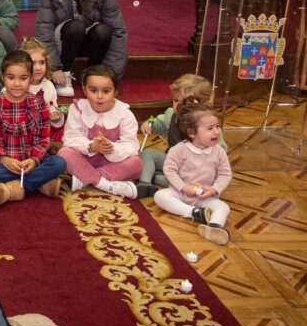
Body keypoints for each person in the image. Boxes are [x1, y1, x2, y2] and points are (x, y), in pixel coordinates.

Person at [34, 0, 128, 97]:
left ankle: (93, 75)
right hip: (63, 41)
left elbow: (118, 30)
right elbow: (44, 27)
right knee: (75, 27)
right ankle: (65, 74)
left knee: (103, 31)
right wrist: (55, 67)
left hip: (90, 41)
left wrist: (112, 73)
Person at [0, 51, 67, 206]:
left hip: (31, 161)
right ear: (2, 76)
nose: (17, 84)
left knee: (59, 163)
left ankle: (13, 189)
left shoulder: (39, 104)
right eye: (11, 77)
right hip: (5, 163)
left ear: (31, 78)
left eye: (23, 78)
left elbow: (43, 139)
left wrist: (34, 160)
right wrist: (4, 159)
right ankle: (41, 183)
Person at [153, 101, 232, 245]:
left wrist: (214, 190)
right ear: (191, 132)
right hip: (180, 192)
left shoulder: (219, 152)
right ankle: (194, 213)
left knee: (223, 207)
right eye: (210, 128)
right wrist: (184, 187)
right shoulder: (178, 149)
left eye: (217, 126)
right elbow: (170, 170)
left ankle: (214, 227)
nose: (217, 131)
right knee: (160, 196)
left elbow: (225, 174)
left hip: (204, 196)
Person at [60, 64, 141, 198]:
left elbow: (131, 145)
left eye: (106, 91)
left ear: (115, 92)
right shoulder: (78, 108)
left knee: (136, 164)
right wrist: (92, 146)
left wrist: (111, 148)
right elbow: (70, 138)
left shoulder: (124, 114)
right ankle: (104, 184)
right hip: (83, 159)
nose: (99, 96)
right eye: (93, 90)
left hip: (111, 163)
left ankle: (84, 179)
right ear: (85, 90)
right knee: (64, 153)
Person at [138, 74, 215, 198]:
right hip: (171, 161)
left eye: (185, 102)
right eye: (175, 100)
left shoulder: (208, 124)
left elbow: (219, 150)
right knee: (147, 154)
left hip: (194, 170)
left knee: (194, 182)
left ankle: (156, 178)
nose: (178, 106)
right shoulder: (171, 114)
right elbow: (156, 121)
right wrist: (149, 123)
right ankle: (144, 183)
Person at [19, 37, 65, 149]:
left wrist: (56, 117)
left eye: (42, 62)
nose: (38, 68)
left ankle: (44, 148)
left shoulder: (49, 86)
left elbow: (53, 107)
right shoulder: (15, 86)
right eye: (33, 63)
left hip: (43, 131)